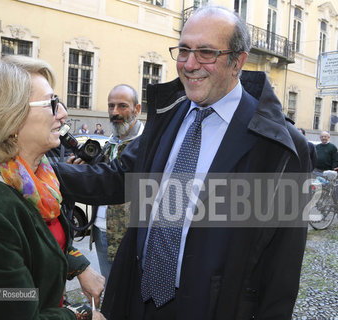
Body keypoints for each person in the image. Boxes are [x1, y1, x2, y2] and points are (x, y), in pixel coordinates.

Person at [54, 6, 311, 320]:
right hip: (138, 300)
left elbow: (282, 266)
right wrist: (40, 169)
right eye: (184, 50)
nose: (190, 64)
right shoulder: (170, 115)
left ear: (238, 61)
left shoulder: (279, 147)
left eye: (205, 53)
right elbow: (120, 177)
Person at [0, 56, 106, 320]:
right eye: (52, 103)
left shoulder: (35, 179)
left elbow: (43, 242)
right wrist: (81, 315)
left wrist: (79, 267)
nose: (63, 113)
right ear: (9, 118)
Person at [91, 84, 143, 284]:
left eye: (122, 106)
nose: (115, 112)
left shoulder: (147, 144)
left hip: (129, 236)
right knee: (110, 291)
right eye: (111, 106)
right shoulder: (109, 143)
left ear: (137, 109)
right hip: (100, 229)